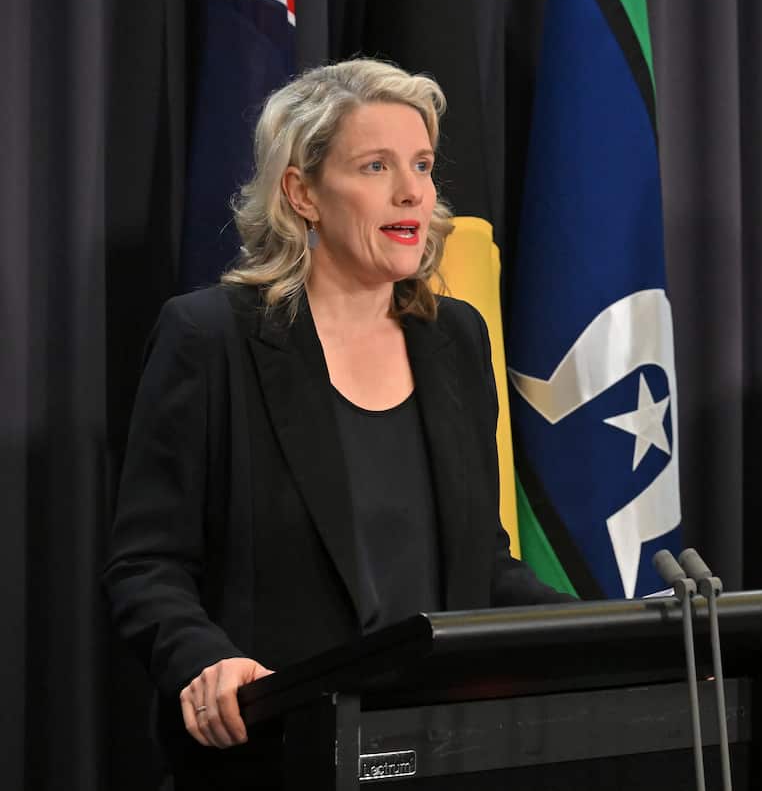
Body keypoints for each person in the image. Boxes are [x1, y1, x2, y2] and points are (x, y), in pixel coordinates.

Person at [103, 58, 571, 789]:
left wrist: (608, 633)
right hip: (276, 754)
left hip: (445, 754)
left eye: (421, 164)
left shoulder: (457, 339)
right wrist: (203, 659)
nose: (413, 189)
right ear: (302, 193)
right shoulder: (210, 338)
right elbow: (147, 564)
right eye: (376, 165)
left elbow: (483, 566)